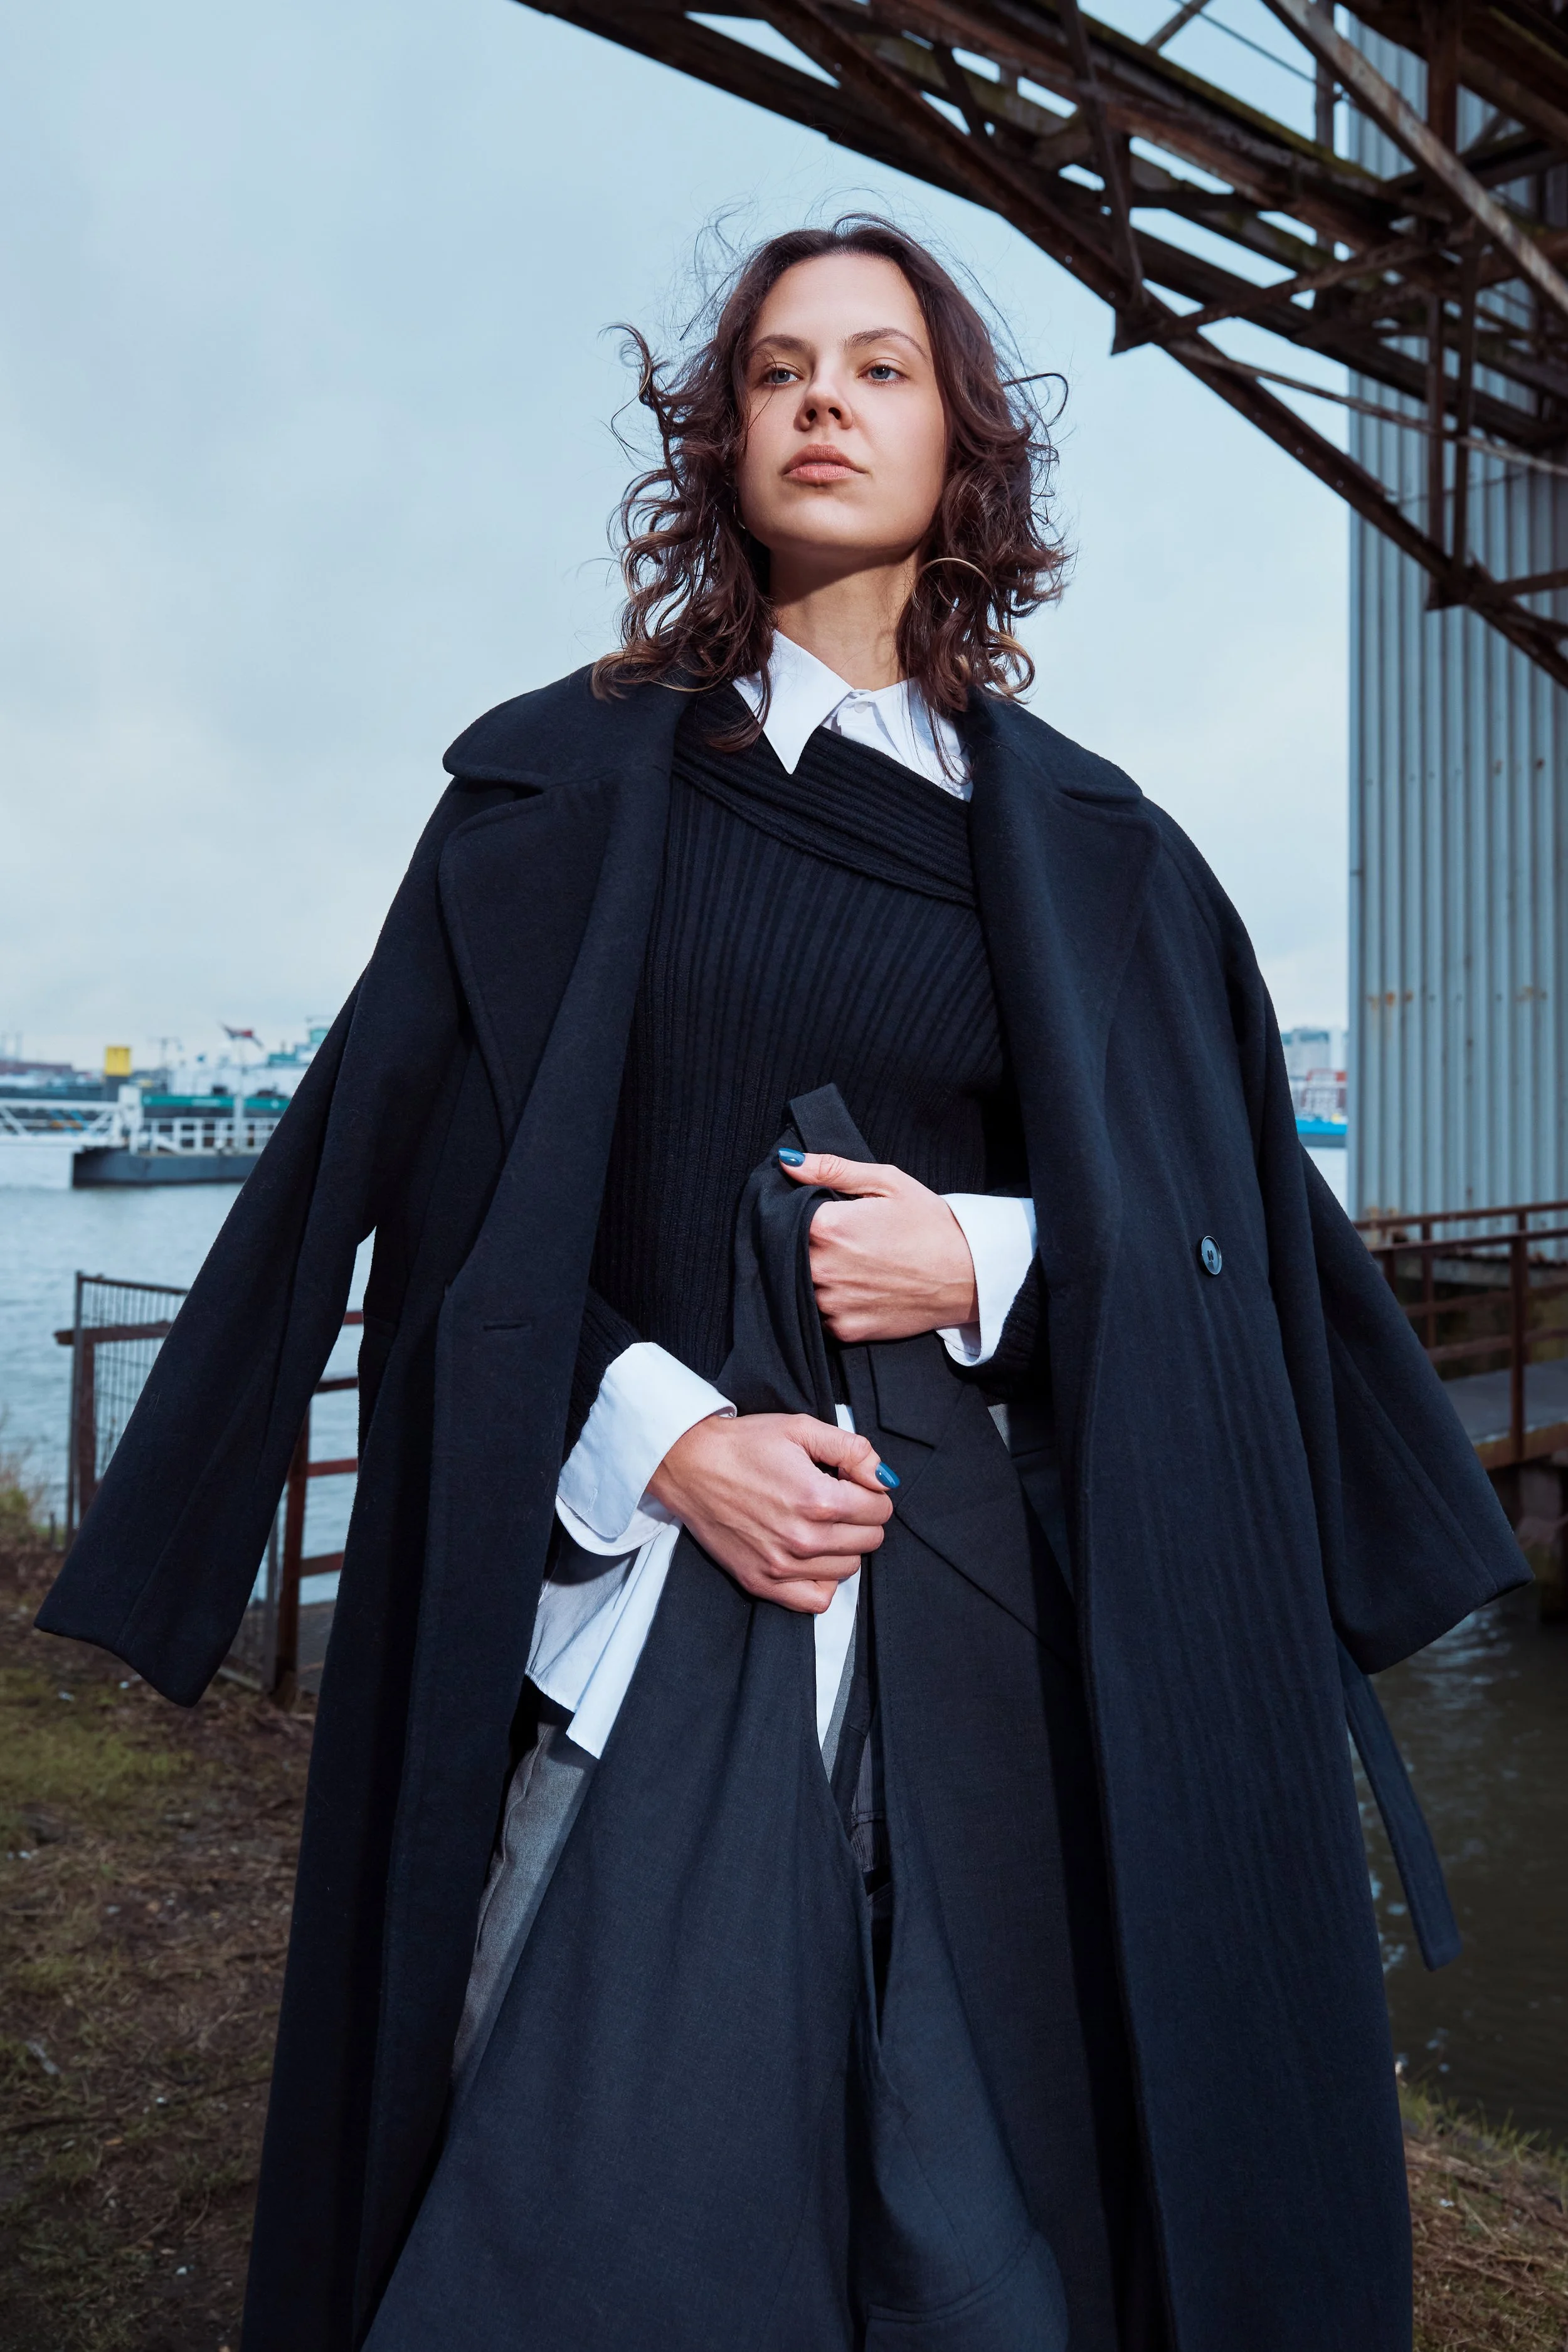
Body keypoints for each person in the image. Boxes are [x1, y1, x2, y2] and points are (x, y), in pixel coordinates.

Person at [40, 218, 1524, 2352]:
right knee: (573, 2214)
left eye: (881, 367)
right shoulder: (556, 796)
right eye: (778, 370)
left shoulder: (1110, 850)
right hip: (642, 1621)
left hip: (987, 1658)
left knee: (994, 2248)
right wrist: (666, 1440)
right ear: (723, 438)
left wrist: (991, 1251)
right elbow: (456, 1219)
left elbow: (1229, 1242)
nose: (824, 399)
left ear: (963, 449)